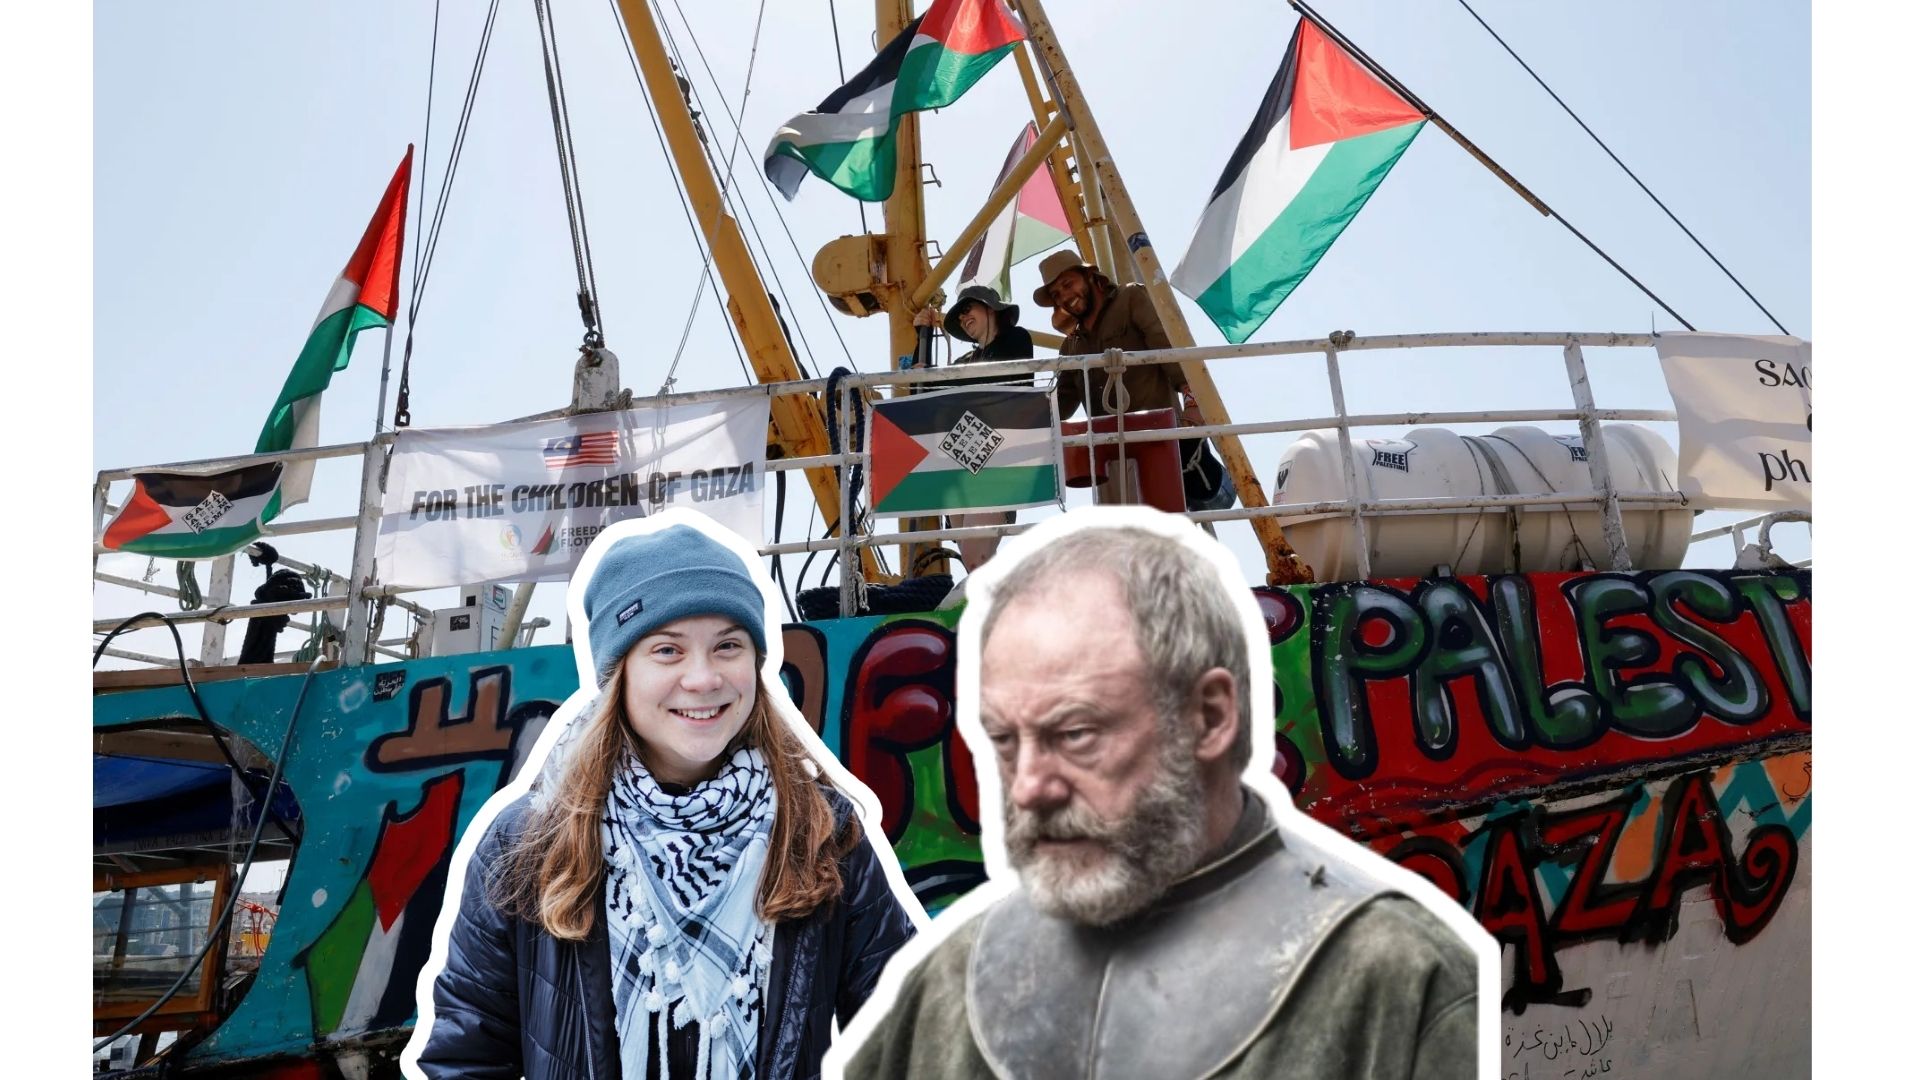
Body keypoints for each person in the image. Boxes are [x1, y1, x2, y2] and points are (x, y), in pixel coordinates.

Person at [842, 522, 1482, 1080]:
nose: (1030, 787)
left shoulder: (1395, 982)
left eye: (1077, 733)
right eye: (1005, 740)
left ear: (1211, 716)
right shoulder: (946, 990)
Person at [418, 524, 917, 1080]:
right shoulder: (528, 843)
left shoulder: (822, 832)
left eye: (728, 646)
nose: (702, 678)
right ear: (619, 674)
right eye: (667, 650)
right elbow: (466, 1061)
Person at [1034, 251, 1234, 511]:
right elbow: (1059, 405)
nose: (1064, 297)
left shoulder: (1130, 299)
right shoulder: (1071, 347)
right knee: (1125, 531)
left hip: (1159, 442)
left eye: (1068, 284)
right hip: (1112, 457)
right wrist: (1017, 415)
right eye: (1056, 294)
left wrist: (1193, 407)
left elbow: (1169, 352)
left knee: (1169, 523)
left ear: (1090, 276)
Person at [911, 285, 1035, 573]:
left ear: (990, 308)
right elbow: (923, 393)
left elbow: (991, 381)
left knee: (976, 556)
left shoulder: (1016, 339)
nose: (963, 317)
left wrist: (940, 383)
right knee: (973, 558)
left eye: (968, 309)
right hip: (961, 463)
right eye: (959, 315)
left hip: (998, 460)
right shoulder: (964, 363)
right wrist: (921, 338)